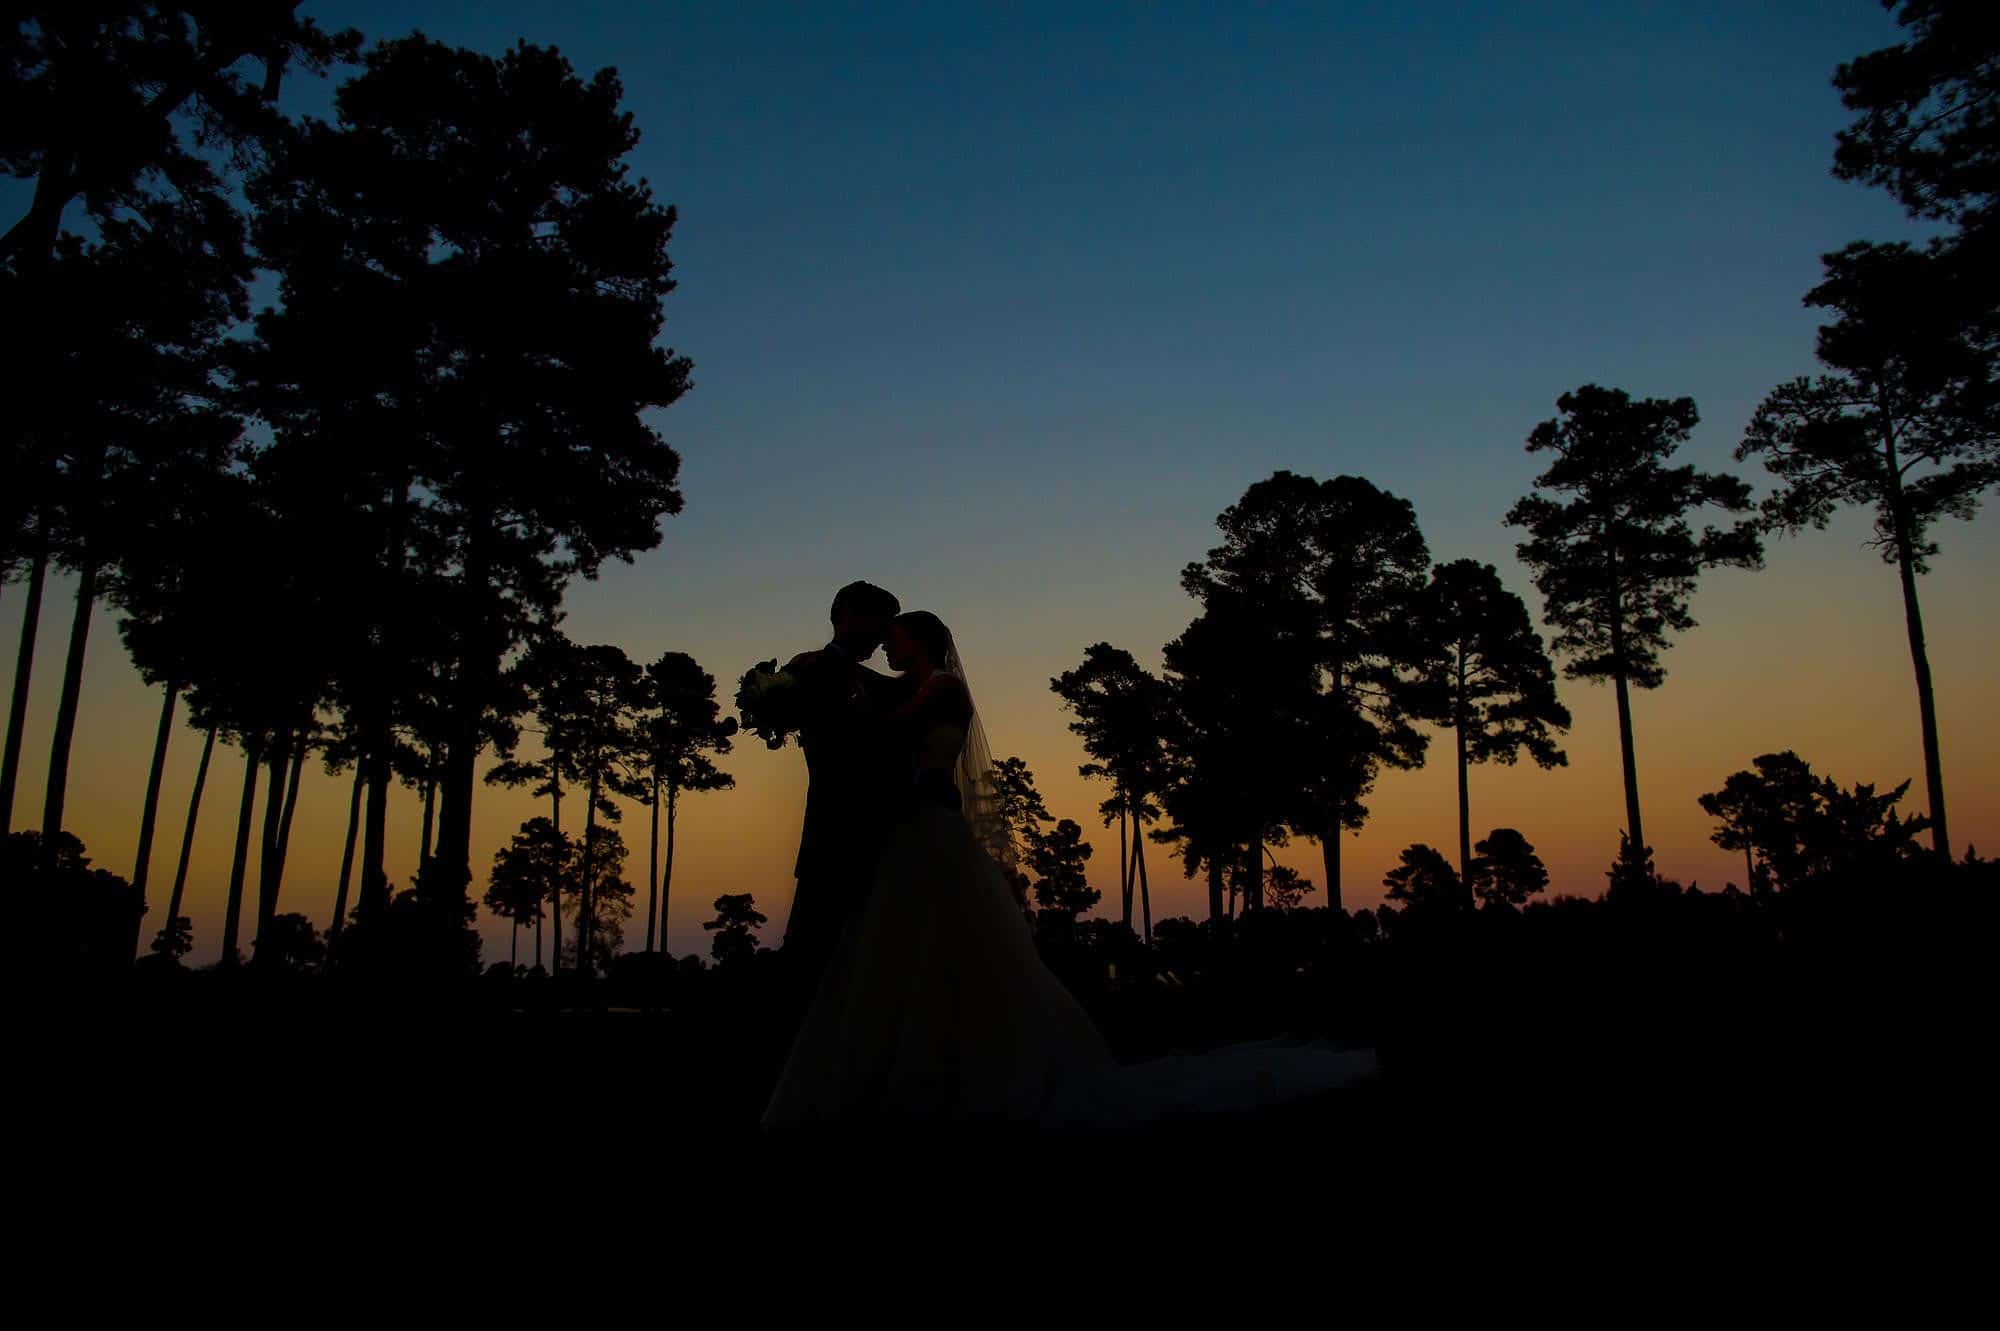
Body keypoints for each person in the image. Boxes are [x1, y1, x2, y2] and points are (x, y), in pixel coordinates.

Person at [764, 609, 1375, 1130]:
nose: (888, 646)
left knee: (945, 947)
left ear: (919, 640)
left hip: (929, 831)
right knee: (901, 952)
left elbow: (895, 740)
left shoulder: (941, 689)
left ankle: (952, 1079)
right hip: (908, 833)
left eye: (895, 637)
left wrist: (845, 714)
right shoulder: (908, 688)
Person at [777, 580, 912, 1013]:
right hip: (828, 832)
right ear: (846, 617)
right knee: (808, 961)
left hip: (883, 837)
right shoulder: (805, 669)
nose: (883, 635)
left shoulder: (882, 684)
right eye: (880, 622)